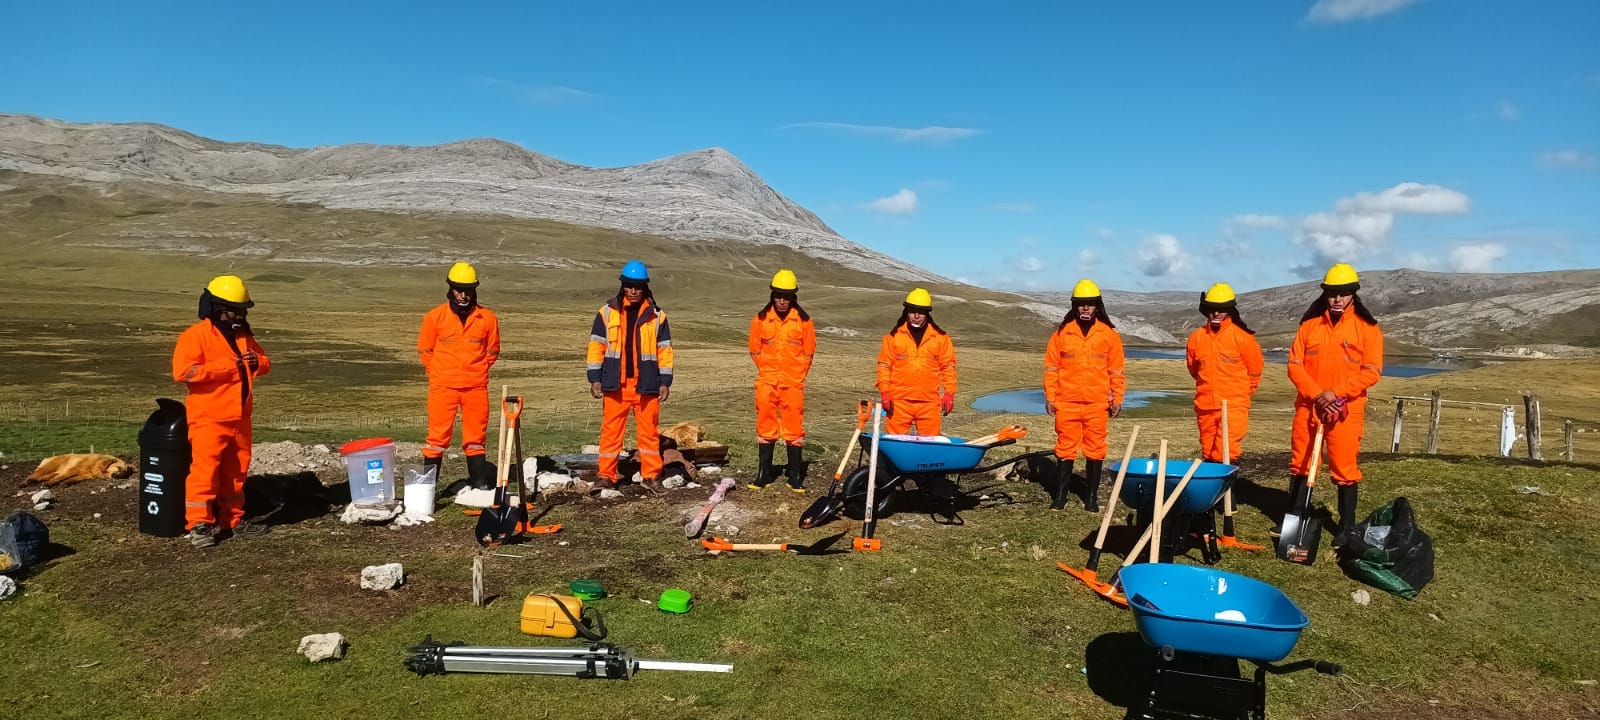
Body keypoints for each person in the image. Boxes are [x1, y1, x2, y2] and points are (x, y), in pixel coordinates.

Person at [1284, 263, 1384, 546]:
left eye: (1343, 293)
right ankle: (1294, 517)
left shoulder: (1368, 329)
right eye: (1332, 293)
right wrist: (1317, 394)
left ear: (1353, 294)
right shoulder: (1309, 326)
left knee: (1344, 467)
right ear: (1325, 294)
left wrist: (1336, 393)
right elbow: (1294, 365)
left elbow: (1372, 371)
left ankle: (1346, 526)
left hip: (1345, 411)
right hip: (1309, 407)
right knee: (1301, 463)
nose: (1337, 299)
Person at [171, 275, 271, 548]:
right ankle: (199, 524)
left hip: (240, 417)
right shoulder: (195, 336)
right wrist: (228, 369)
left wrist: (255, 362)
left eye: (243, 310)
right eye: (236, 309)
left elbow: (265, 362)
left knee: (236, 472)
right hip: (209, 418)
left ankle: (234, 520)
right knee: (205, 471)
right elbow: (183, 371)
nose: (241, 314)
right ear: (217, 307)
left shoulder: (243, 336)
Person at [587, 260, 675, 490]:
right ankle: (606, 475)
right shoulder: (606, 313)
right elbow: (597, 346)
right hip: (615, 384)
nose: (633, 291)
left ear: (645, 287)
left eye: (638, 286)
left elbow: (664, 351)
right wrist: (594, 378)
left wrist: (665, 381)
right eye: (629, 285)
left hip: (646, 384)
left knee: (649, 434)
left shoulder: (657, 316)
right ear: (623, 286)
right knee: (611, 433)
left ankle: (651, 476)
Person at [1042, 279, 1125, 511]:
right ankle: (1060, 497)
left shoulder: (1108, 335)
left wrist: (1117, 398)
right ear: (1074, 306)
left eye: (1090, 304)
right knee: (1065, 448)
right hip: (1066, 402)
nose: (1085, 308)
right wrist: (1050, 396)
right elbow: (1051, 368)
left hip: (1097, 403)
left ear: (1097, 306)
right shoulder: (1062, 334)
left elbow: (1116, 370)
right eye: (1081, 304)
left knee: (1096, 449)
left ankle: (1091, 498)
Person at [417, 262, 501, 488]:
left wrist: (478, 370)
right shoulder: (435, 317)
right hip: (443, 387)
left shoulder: (487, 318)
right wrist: (436, 372)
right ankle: (428, 491)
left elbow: (492, 351)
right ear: (450, 288)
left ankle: (479, 486)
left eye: (468, 290)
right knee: (436, 439)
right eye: (458, 289)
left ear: (475, 290)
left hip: (475, 387)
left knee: (475, 439)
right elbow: (425, 350)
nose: (463, 295)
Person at [747, 269, 816, 492]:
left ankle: (795, 476)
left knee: (794, 428)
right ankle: (763, 474)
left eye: (786, 296)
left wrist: (796, 374)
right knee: (765, 425)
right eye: (778, 295)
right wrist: (768, 371)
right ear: (772, 295)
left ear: (793, 296)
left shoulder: (804, 322)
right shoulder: (760, 319)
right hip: (767, 381)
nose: (782, 300)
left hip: (793, 383)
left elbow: (808, 353)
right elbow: (755, 350)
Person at [1185, 283, 1264, 464]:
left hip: (1234, 405)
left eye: (1221, 309)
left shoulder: (1243, 338)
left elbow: (1255, 371)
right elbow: (1194, 369)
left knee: (1225, 453)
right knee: (1209, 453)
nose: (1216, 314)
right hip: (1205, 406)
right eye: (1212, 309)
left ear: (1229, 310)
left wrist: (1240, 395)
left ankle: (1230, 491)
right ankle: (1213, 492)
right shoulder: (1196, 338)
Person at [875, 288, 957, 436]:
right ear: (906, 311)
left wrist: (949, 394)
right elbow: (884, 366)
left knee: (930, 445)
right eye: (913, 311)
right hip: (899, 402)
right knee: (895, 443)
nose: (916, 315)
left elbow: (948, 367)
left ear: (927, 313)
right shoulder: (893, 337)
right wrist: (885, 392)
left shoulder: (940, 338)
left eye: (921, 311)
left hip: (929, 402)